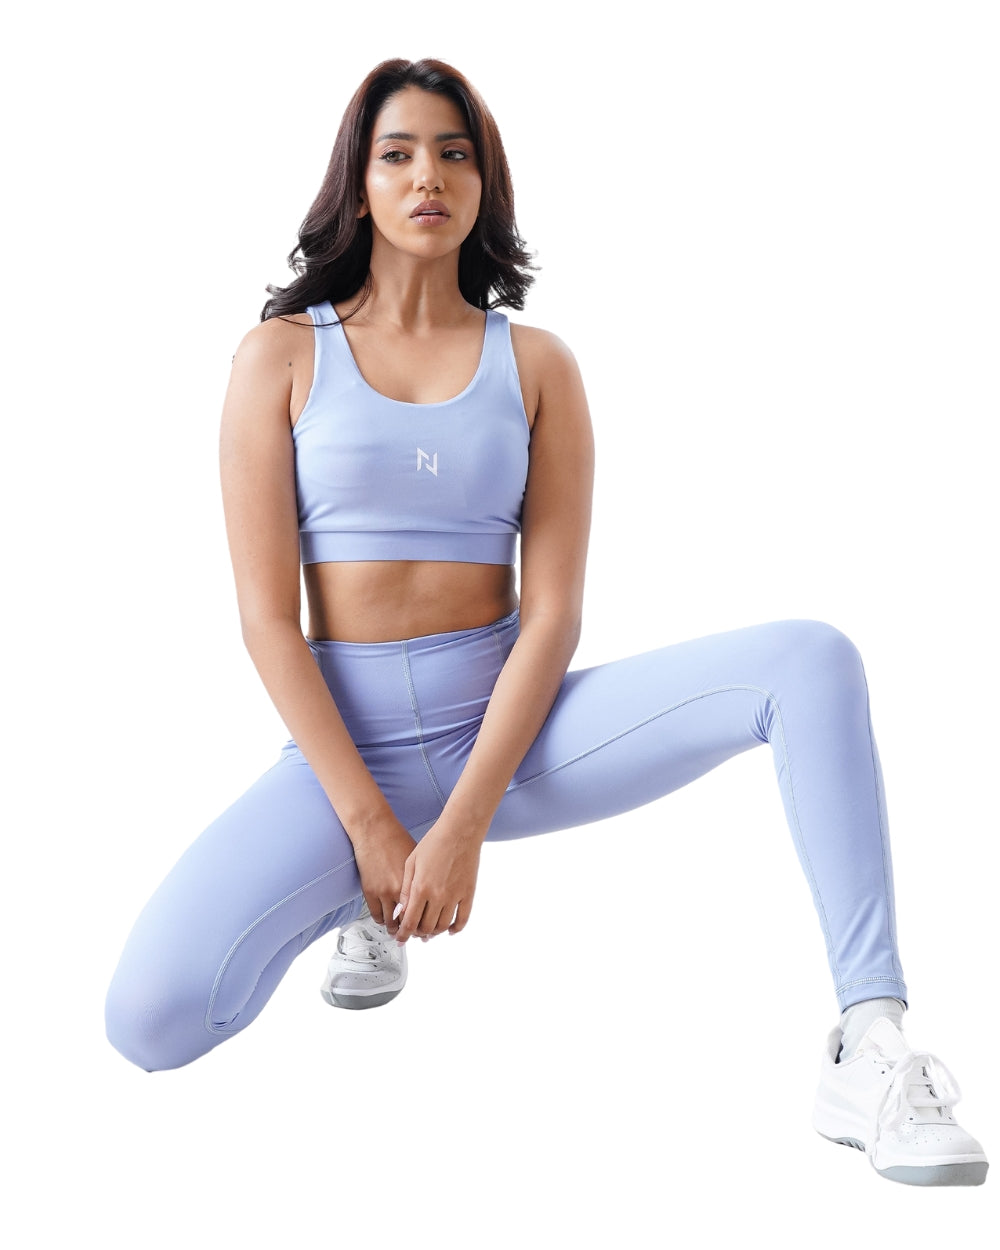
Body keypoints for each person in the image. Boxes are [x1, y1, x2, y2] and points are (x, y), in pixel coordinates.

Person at [105, 57, 987, 1188]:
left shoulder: (536, 365)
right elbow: (268, 621)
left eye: (454, 152)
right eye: (399, 152)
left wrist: (463, 823)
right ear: (357, 183)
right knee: (150, 1021)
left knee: (809, 661)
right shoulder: (279, 355)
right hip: (345, 750)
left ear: (484, 182)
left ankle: (869, 1041)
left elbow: (555, 612)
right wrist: (372, 830)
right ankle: (353, 901)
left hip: (512, 732)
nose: (429, 174)